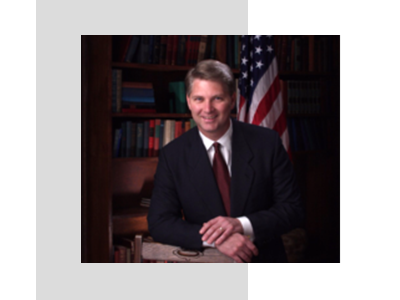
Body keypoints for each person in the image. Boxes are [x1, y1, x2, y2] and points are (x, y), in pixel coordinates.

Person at [147, 59, 304, 263]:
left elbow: (293, 209)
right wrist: (216, 239)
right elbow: (160, 223)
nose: (207, 109)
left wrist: (240, 225)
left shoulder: (267, 143)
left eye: (217, 98)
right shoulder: (173, 155)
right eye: (199, 99)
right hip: (205, 269)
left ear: (232, 99)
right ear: (188, 101)